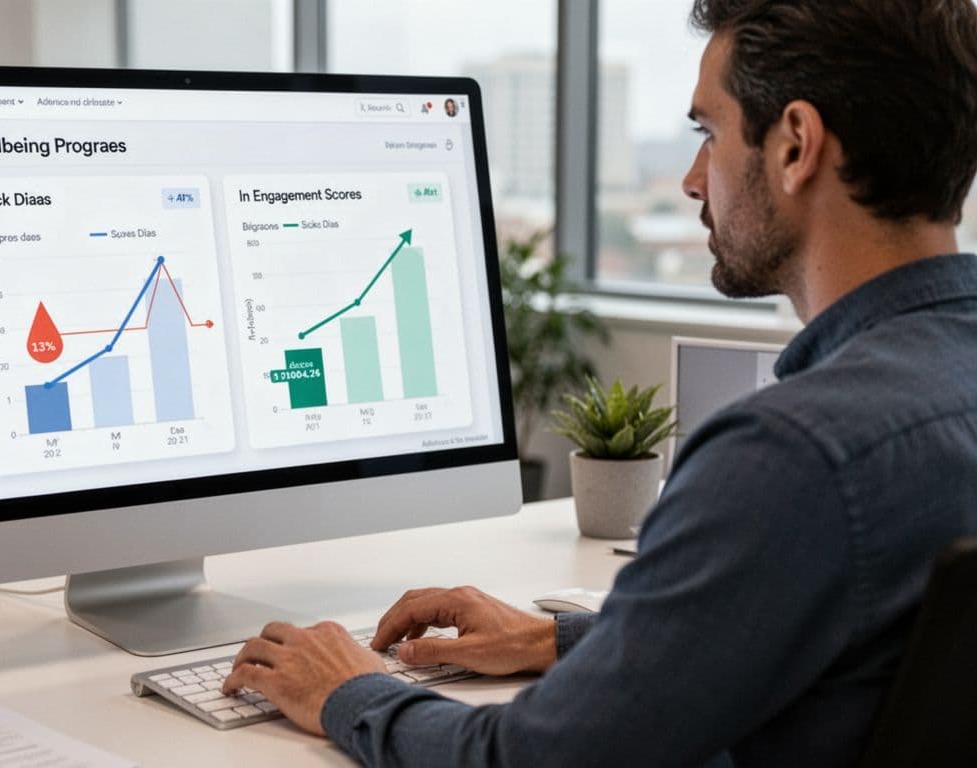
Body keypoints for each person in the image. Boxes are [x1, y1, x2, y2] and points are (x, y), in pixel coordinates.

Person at [221, 1, 977, 765]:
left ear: (795, 146)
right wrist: (558, 638)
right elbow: (838, 634)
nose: (692, 180)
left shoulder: (792, 454)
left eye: (708, 133)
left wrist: (348, 689)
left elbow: (527, 760)